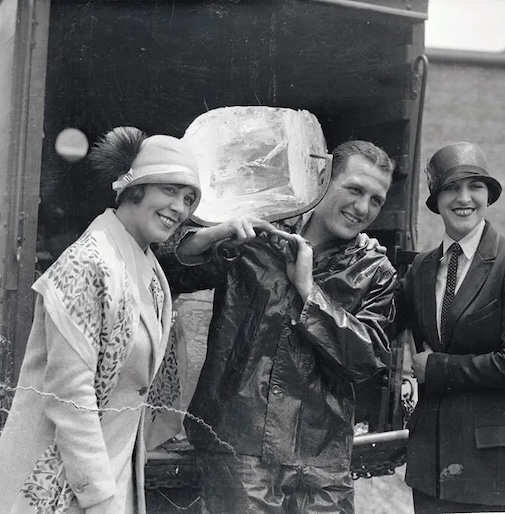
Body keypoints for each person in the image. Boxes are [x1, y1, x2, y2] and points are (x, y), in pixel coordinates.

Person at [156, 140, 397, 513]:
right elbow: (167, 272)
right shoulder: (257, 238)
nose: (362, 208)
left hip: (322, 456)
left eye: (376, 199)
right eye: (354, 189)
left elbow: (366, 360)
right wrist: (210, 234)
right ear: (322, 180)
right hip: (239, 444)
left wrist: (307, 290)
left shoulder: (373, 269)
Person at [0, 126, 203, 513]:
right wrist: (100, 499)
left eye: (189, 198)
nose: (179, 207)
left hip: (112, 478)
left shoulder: (148, 268)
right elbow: (69, 398)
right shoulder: (89, 262)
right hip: (59, 485)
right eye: (169, 190)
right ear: (136, 188)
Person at [394, 142, 505, 513]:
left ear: (488, 195)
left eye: (475, 186)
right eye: (451, 187)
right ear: (436, 198)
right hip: (434, 470)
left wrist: (438, 368)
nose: (464, 198)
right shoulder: (421, 270)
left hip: (498, 471)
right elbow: (380, 325)